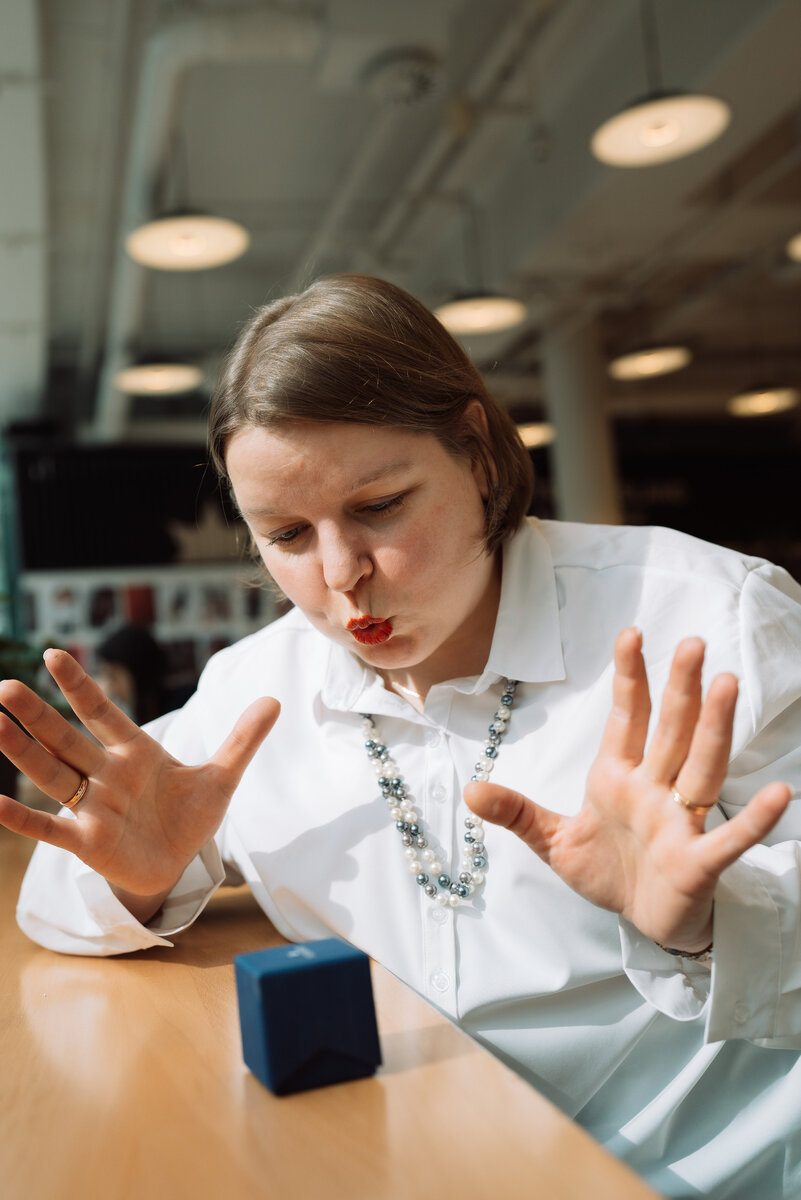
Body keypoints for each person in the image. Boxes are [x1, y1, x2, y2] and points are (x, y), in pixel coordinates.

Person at [1, 274, 800, 1199]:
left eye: (379, 506)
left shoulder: (704, 618)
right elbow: (55, 904)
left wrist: (708, 922)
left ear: (478, 453)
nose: (342, 573)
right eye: (287, 535)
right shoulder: (256, 689)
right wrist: (137, 879)